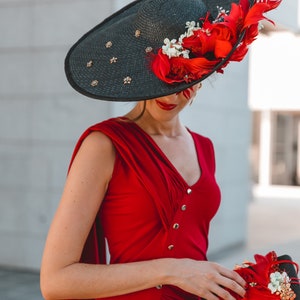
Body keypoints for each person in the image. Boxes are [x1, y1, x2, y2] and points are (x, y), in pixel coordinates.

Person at [40, 0, 282, 299]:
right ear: (143, 71)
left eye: (189, 79)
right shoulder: (105, 145)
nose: (174, 95)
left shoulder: (204, 148)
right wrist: (173, 270)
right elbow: (55, 282)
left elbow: (192, 254)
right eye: (167, 78)